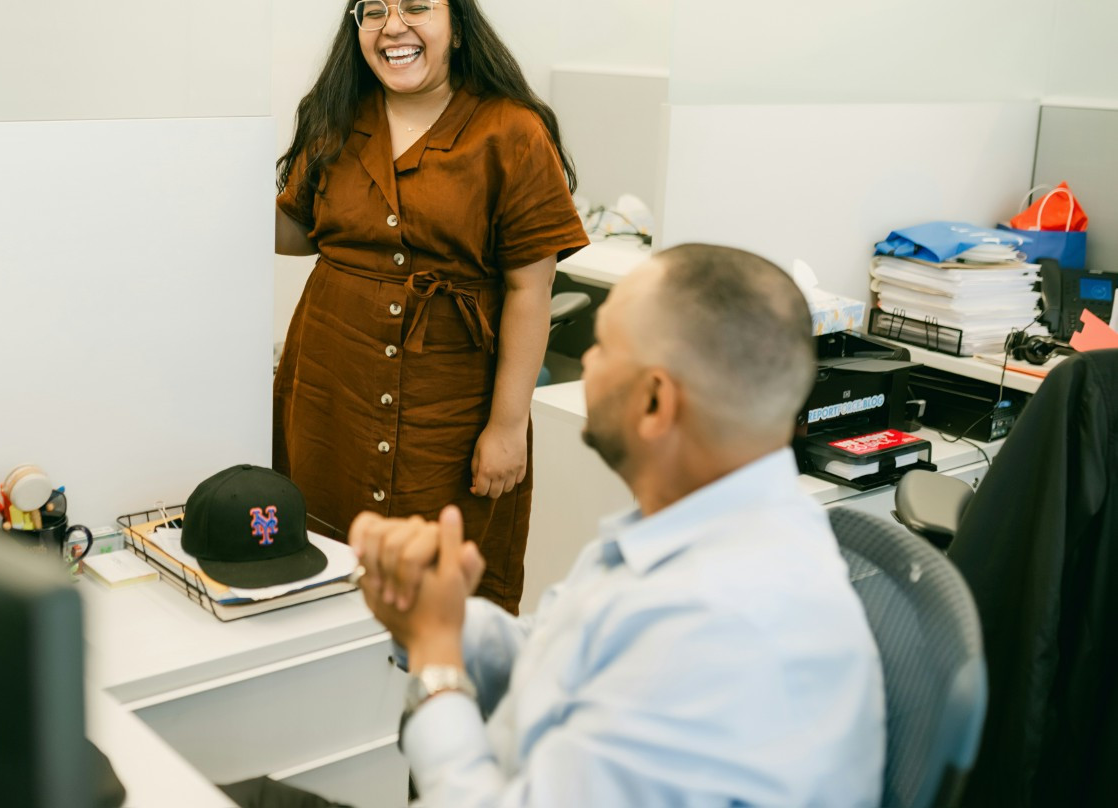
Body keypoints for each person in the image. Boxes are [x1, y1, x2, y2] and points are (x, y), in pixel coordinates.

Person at [350, 244, 886, 806]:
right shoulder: (706, 520)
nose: (588, 364)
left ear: (655, 401)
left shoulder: (716, 628)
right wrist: (443, 611)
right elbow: (562, 653)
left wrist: (438, 662)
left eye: (602, 347)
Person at [274, 0, 588, 613]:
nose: (394, 26)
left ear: (458, 25)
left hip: (453, 395)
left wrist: (507, 427)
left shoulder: (511, 132)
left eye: (417, 6)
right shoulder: (336, 116)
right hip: (331, 381)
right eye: (375, 10)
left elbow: (531, 291)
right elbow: (297, 233)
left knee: (444, 583)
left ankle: (441, 702)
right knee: (324, 561)